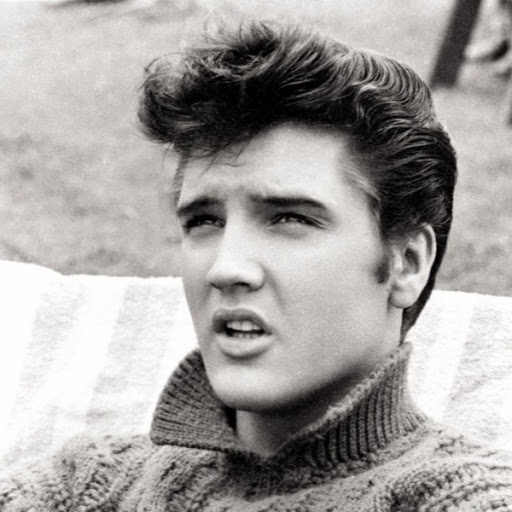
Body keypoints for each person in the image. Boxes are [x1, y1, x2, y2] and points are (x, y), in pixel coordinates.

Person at [2, 20, 512, 512]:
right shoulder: (89, 481)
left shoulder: (463, 497)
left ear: (407, 263)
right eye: (204, 221)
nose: (226, 268)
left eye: (289, 218)